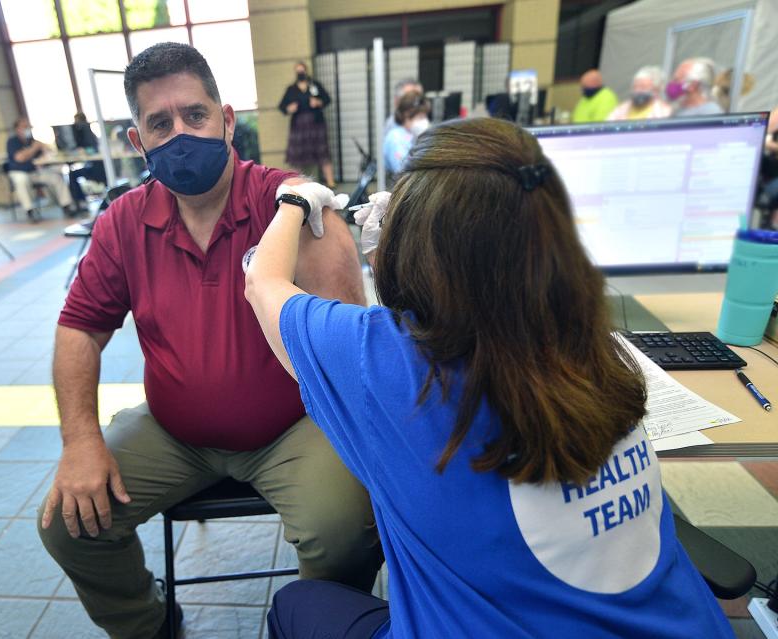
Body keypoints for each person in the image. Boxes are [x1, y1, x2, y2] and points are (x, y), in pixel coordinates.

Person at [244, 117, 733, 638]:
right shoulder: (593, 346)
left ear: (418, 246)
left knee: (297, 605)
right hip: (685, 623)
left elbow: (263, 282)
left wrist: (294, 201)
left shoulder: (390, 367)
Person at [38, 42, 381, 639]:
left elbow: (350, 334)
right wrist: (80, 439)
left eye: (195, 115)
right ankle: (149, 623)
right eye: (159, 123)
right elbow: (79, 329)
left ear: (227, 121)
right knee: (68, 523)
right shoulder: (123, 224)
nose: (180, 134)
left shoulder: (287, 205)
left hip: (291, 427)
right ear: (136, 141)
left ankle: (325, 623)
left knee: (346, 527)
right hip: (176, 433)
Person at [6, 116, 76, 222]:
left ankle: (66, 206)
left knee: (56, 178)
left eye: (28, 127)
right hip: (19, 172)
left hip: (34, 172)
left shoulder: (32, 140)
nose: (27, 129)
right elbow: (20, 158)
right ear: (17, 129)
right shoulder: (12, 142)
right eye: (24, 127)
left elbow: (48, 152)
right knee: (22, 181)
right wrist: (34, 148)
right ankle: (30, 211)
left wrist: (44, 149)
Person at [278, 61, 335, 188]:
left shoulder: (315, 85)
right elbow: (282, 107)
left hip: (316, 124)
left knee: (323, 152)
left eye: (302, 70)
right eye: (298, 71)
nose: (300, 73)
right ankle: (299, 185)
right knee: (298, 156)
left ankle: (331, 182)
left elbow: (327, 99)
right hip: (299, 126)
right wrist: (289, 108)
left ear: (306, 71)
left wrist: (318, 102)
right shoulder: (291, 89)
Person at [383, 90, 430, 180]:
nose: (425, 121)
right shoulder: (396, 138)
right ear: (407, 115)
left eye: (425, 116)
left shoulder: (412, 135)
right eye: (421, 117)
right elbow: (402, 171)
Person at [68, 112, 107, 207]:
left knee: (73, 175)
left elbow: (94, 149)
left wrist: (84, 151)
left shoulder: (88, 132)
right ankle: (80, 202)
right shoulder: (80, 134)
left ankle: (81, 202)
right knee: (72, 174)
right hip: (91, 166)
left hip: (97, 169)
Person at [608, 65, 673, 121]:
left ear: (656, 90)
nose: (637, 91)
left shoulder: (664, 112)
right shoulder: (621, 109)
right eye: (635, 87)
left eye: (643, 87)